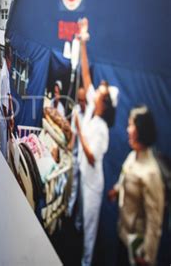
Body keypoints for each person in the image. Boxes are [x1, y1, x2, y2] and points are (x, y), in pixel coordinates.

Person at [74, 17, 118, 266]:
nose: (96, 90)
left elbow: (92, 156)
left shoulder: (102, 128)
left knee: (90, 230)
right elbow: (86, 73)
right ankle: (76, 227)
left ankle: (85, 261)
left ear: (104, 104)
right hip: (83, 172)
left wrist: (79, 130)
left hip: (94, 185)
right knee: (82, 218)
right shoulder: (91, 105)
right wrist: (83, 38)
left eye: (100, 93)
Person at [108, 106, 164, 266]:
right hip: (123, 236)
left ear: (141, 129)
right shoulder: (133, 156)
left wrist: (147, 256)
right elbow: (125, 177)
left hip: (137, 247)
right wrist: (117, 190)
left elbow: (155, 221)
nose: (127, 129)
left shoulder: (151, 173)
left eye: (131, 125)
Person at [67, 87, 87, 230]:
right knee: (73, 186)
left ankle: (79, 222)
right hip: (75, 154)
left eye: (83, 100)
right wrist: (70, 143)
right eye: (79, 100)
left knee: (83, 192)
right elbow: (74, 132)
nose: (81, 103)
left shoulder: (91, 114)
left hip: (85, 158)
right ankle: (68, 213)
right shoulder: (76, 111)